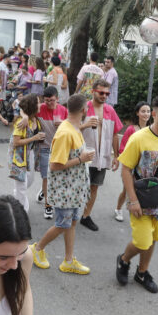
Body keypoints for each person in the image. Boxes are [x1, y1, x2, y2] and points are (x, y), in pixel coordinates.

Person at [115, 95, 158, 293]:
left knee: (153, 238)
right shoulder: (139, 138)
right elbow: (126, 169)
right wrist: (133, 201)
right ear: (154, 114)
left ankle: (142, 272)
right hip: (141, 199)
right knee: (142, 241)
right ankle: (124, 260)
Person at [30, 94, 94, 275]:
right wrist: (82, 159)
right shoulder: (66, 132)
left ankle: (68, 260)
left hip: (73, 189)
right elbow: (55, 165)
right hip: (65, 190)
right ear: (84, 110)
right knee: (62, 224)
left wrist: (82, 159)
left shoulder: (73, 128)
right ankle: (37, 248)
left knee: (71, 223)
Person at [79, 79, 123, 231]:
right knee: (78, 185)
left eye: (107, 93)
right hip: (83, 155)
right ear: (93, 91)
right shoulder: (83, 107)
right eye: (101, 92)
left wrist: (116, 156)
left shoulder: (110, 110)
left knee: (94, 187)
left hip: (101, 157)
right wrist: (85, 124)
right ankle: (70, 213)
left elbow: (115, 134)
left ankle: (85, 216)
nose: (104, 96)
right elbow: (70, 128)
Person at [34, 87, 68, 219]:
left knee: (58, 176)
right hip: (44, 147)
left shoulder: (63, 110)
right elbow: (21, 106)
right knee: (46, 177)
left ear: (57, 99)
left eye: (52, 101)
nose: (49, 103)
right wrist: (25, 117)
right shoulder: (39, 108)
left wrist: (64, 123)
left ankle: (44, 191)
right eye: (47, 101)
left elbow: (72, 125)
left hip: (60, 149)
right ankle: (48, 205)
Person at [114, 101, 150, 222]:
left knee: (141, 190)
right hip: (130, 166)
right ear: (137, 113)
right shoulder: (131, 129)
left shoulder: (151, 130)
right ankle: (118, 209)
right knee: (126, 190)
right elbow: (122, 147)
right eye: (143, 111)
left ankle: (137, 212)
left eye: (148, 111)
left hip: (144, 167)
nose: (146, 114)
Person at [9, 94, 44, 213]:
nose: (41, 104)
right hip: (19, 157)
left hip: (30, 155)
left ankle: (16, 196)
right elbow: (16, 142)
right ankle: (22, 212)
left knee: (30, 180)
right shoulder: (21, 121)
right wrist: (34, 138)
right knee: (22, 186)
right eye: (38, 102)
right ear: (33, 105)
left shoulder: (35, 118)